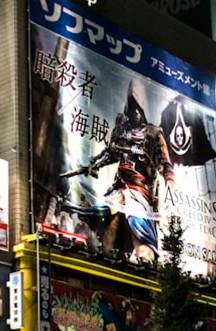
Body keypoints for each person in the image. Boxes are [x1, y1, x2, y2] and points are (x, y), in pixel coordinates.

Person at [74, 80, 176, 265]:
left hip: (140, 190)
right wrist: (94, 165)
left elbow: (166, 166)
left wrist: (169, 185)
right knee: (102, 213)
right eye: (132, 107)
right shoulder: (121, 129)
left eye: (138, 107)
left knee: (140, 228)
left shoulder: (153, 133)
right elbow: (112, 153)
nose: (135, 112)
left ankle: (144, 257)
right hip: (119, 186)